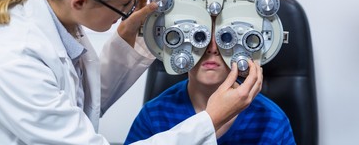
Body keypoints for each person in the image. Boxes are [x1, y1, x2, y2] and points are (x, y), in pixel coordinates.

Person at [0, 0, 263, 145]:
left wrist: (129, 36)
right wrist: (210, 120)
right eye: (126, 4)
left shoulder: (59, 13)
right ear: (81, 2)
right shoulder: (17, 59)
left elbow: (84, 103)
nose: (128, 12)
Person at [124, 16, 296, 145]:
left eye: (225, 38)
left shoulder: (271, 121)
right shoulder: (154, 115)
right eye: (200, 37)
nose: (212, 48)